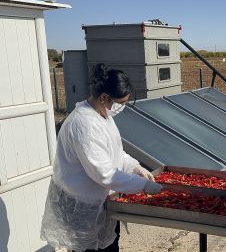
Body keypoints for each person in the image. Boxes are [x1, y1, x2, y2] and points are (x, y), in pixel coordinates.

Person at [41, 63, 162, 252]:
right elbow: (103, 172)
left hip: (99, 201)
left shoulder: (102, 115)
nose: (121, 107)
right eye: (120, 103)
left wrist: (134, 167)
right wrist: (142, 186)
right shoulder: (84, 124)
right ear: (104, 97)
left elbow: (114, 152)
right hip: (81, 207)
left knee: (108, 245)